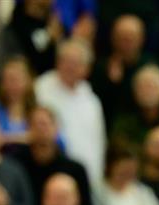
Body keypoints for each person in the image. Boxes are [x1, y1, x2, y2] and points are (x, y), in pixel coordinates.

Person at [34, 39, 106, 187]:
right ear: (57, 62)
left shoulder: (91, 100)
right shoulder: (41, 88)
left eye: (76, 63)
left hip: (86, 177)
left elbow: (99, 142)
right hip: (51, 173)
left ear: (86, 69)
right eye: (66, 61)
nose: (70, 67)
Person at [7, 104, 94, 205]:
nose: (41, 130)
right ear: (27, 129)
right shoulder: (15, 164)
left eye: (45, 124)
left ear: (56, 128)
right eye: (35, 125)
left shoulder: (75, 169)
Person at [109, 64, 159, 155]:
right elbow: (117, 150)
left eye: (153, 87)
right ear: (134, 92)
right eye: (143, 87)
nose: (148, 92)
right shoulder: (124, 122)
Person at [0, 55, 38, 148]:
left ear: (28, 81)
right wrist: (28, 137)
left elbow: (55, 139)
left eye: (17, 79)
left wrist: (5, 139)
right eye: (8, 79)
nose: (12, 85)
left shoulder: (37, 112)